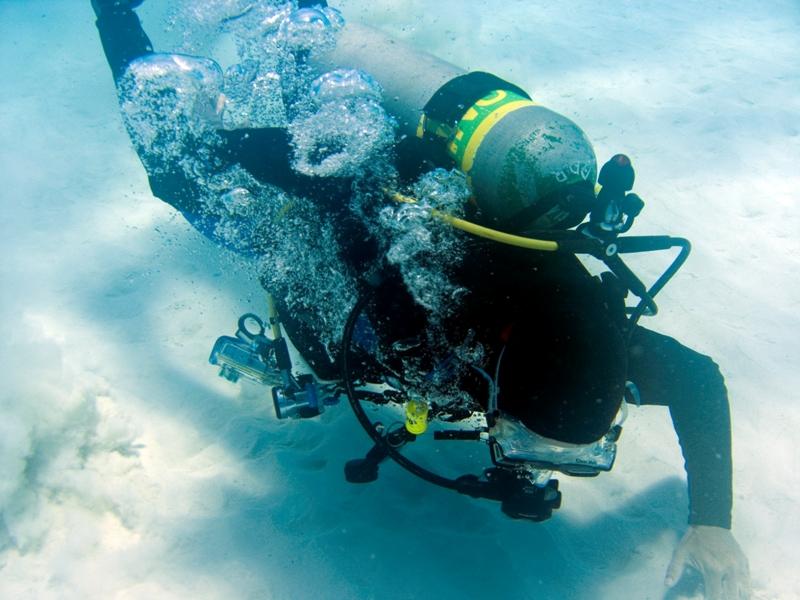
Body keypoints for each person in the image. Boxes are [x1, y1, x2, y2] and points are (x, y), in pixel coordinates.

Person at [91, 1, 751, 597]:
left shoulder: (596, 339)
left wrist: (711, 525)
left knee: (302, 81)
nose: (522, 452)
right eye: (525, 439)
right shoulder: (426, 320)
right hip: (344, 195)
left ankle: (293, 38)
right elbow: (342, 208)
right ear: (499, 381)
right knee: (180, 181)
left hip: (405, 186)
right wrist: (240, 157)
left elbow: (698, 379)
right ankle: (116, 14)